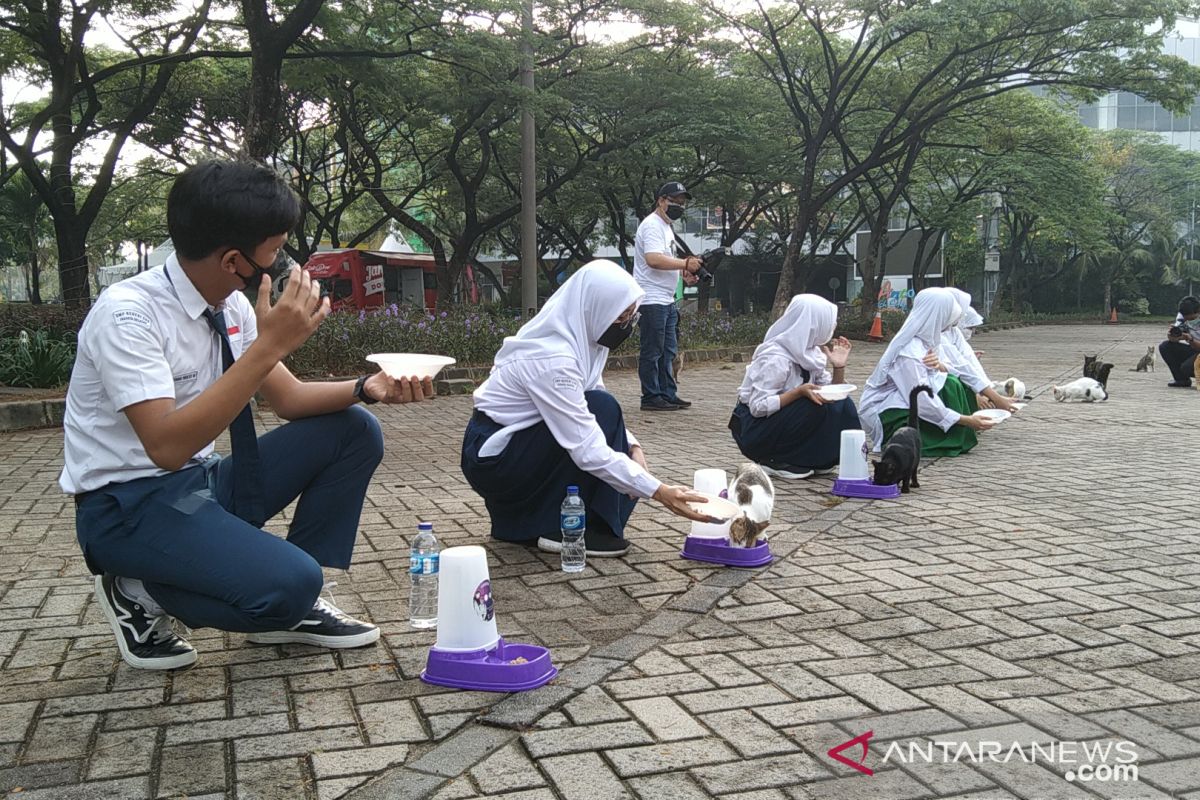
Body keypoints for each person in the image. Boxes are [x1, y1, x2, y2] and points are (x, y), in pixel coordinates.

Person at [60, 159, 434, 671]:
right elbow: (166, 447)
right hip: (128, 505)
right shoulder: (128, 315)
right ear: (234, 259)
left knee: (353, 429)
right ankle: (139, 591)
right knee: (288, 586)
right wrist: (268, 347)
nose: (283, 262)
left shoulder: (230, 304)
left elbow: (289, 399)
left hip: (201, 483)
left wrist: (366, 389)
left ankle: (295, 606)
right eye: (276, 250)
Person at [461, 259, 715, 558]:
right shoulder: (552, 359)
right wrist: (659, 491)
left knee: (604, 410)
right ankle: (553, 526)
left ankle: (557, 522)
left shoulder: (584, 342)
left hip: (518, 444)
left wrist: (634, 447)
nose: (626, 326)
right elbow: (586, 445)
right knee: (600, 413)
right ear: (594, 309)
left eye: (631, 316)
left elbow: (593, 402)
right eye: (620, 317)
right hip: (493, 458)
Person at [728, 294, 861, 479]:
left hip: (783, 421)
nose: (834, 326)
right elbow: (758, 407)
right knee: (810, 405)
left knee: (843, 405)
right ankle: (773, 460)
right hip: (755, 430)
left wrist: (839, 366)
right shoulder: (775, 358)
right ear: (813, 323)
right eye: (829, 321)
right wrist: (798, 393)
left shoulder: (811, 352)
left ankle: (820, 458)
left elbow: (831, 393)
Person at [858, 287, 995, 456]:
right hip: (888, 411)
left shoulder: (926, 342)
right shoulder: (909, 352)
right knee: (950, 385)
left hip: (906, 400)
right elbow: (920, 398)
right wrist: (965, 420)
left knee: (951, 382)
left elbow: (957, 367)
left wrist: (942, 367)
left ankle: (951, 432)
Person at [633, 181, 703, 411]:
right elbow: (653, 259)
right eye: (674, 200)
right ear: (661, 200)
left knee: (668, 350)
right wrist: (685, 263)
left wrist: (683, 273)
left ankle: (667, 393)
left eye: (682, 202)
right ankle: (651, 396)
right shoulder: (652, 225)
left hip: (667, 298)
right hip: (652, 299)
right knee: (653, 350)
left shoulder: (666, 227)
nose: (679, 206)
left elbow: (664, 260)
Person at [940, 288, 1019, 412]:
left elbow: (967, 360)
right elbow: (959, 367)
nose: (960, 315)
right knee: (952, 382)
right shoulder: (938, 337)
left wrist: (987, 390)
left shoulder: (951, 330)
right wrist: (985, 395)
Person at [1159, 295, 1200, 387]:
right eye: (1186, 319)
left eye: (1192, 319)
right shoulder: (1182, 318)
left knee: (1187, 367)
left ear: (1198, 311)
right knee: (1165, 346)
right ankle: (1181, 380)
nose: (1188, 321)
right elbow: (1177, 335)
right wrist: (1173, 337)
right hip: (1195, 350)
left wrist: (1190, 339)